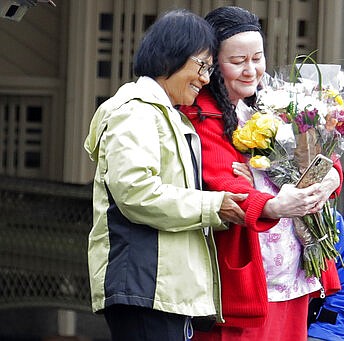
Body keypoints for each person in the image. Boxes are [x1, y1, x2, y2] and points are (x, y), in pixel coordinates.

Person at [83, 9, 249, 341]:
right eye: (201, 66)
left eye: (209, 69)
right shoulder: (135, 111)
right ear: (168, 59)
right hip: (145, 285)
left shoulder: (165, 114)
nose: (205, 79)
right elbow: (137, 194)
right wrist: (212, 206)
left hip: (163, 288)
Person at [179, 6, 343, 341]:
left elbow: (319, 155)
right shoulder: (200, 116)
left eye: (257, 58)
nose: (251, 70)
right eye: (237, 61)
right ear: (211, 64)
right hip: (248, 273)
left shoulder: (275, 103)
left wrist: (330, 178)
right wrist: (272, 204)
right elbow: (225, 184)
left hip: (293, 268)